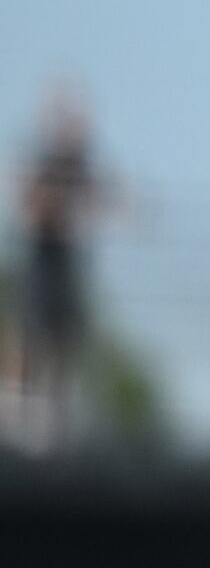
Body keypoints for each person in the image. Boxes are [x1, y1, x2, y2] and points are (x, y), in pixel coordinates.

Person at [12, 81, 120, 438]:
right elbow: (30, 210)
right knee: (34, 338)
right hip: (43, 268)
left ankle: (57, 424)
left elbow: (102, 200)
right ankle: (27, 420)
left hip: (68, 270)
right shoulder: (42, 162)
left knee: (64, 344)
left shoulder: (80, 164)